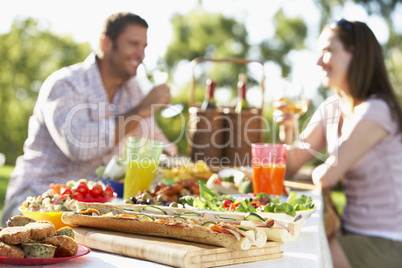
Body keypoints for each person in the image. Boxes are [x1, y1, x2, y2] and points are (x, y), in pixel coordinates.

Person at [2, 12, 177, 227]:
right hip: (37, 200)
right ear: (106, 43)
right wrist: (141, 109)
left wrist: (181, 162)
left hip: (87, 210)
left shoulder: (132, 91)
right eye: (133, 44)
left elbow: (157, 141)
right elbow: (78, 145)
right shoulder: (66, 84)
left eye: (144, 47)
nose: (141, 54)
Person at [276, 19, 402, 268]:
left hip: (388, 241)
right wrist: (288, 128)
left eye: (328, 50)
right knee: (292, 246)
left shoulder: (376, 111)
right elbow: (288, 166)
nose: (318, 61)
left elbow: (327, 177)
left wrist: (316, 172)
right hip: (350, 232)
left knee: (301, 254)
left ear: (356, 54)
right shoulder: (331, 109)